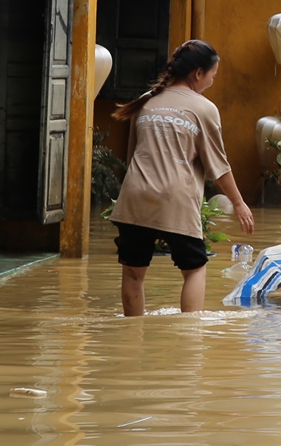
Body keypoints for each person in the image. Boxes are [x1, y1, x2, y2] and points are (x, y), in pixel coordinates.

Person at [109, 40, 255, 317]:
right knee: (194, 268)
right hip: (176, 197)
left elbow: (132, 159)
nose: (213, 80)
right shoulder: (204, 108)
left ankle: (131, 338)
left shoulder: (146, 100)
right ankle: (189, 340)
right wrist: (238, 203)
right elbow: (218, 167)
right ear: (198, 73)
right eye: (213, 74)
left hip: (135, 195)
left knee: (133, 271)